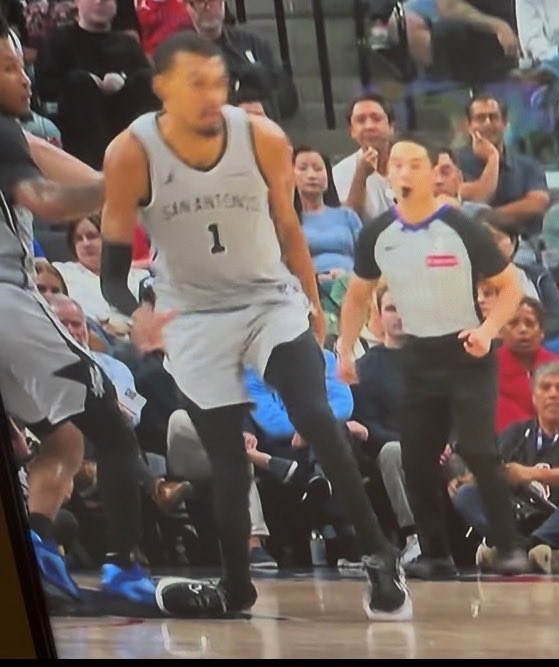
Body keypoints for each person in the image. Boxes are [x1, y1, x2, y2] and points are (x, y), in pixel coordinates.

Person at [98, 30, 411, 621]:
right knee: (227, 456)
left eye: (219, 82)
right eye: (195, 83)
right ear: (162, 87)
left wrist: (313, 303)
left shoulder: (263, 137)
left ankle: (378, 552)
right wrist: (138, 313)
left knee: (315, 415)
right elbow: (113, 275)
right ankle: (236, 585)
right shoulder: (129, 153)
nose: (211, 94)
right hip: (191, 312)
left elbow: (290, 230)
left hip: (268, 297)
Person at [0, 14, 155, 605]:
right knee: (111, 426)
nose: (25, 79)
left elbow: (50, 156)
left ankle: (38, 542)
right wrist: (118, 185)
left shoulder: (17, 136)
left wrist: (113, 179)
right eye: (9, 69)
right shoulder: (1, 132)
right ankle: (123, 571)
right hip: (10, 303)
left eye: (22, 66)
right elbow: (46, 200)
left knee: (63, 437)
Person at [336, 136, 530, 578]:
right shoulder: (377, 233)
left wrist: (487, 331)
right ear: (386, 174)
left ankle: (509, 546)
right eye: (397, 164)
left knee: (477, 448)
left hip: (466, 350)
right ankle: (436, 554)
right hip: (417, 354)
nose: (404, 172)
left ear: (431, 173)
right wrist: (345, 349)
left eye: (415, 164)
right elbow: (357, 296)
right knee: (416, 458)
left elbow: (510, 286)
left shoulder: (460, 227)